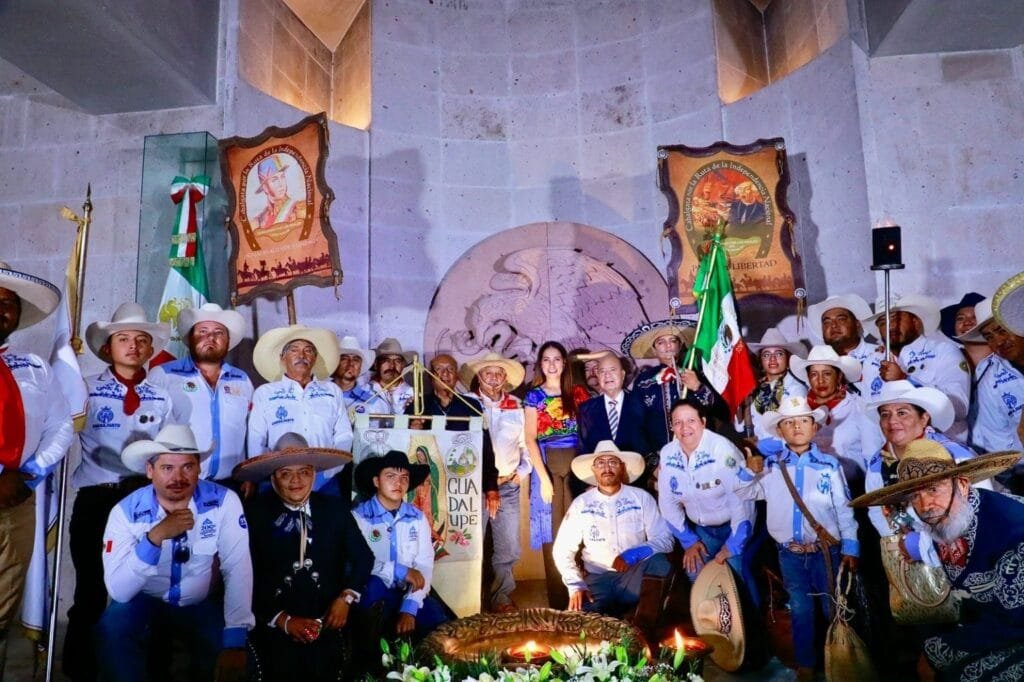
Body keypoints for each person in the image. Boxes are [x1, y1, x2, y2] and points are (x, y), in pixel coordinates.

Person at [850, 439, 1024, 679]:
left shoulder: (1013, 532)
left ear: (962, 485)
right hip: (990, 621)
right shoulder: (949, 516)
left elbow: (1016, 622)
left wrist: (940, 648)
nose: (925, 505)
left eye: (933, 489)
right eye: (915, 495)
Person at [65, 302, 173, 681]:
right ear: (108, 347)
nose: (132, 346)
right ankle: (80, 670)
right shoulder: (84, 389)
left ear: (149, 350)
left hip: (144, 501)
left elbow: (171, 450)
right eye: (123, 339)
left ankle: (144, 669)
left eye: (141, 340)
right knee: (92, 589)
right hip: (97, 497)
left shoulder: (163, 397)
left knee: (148, 587)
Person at [97, 425, 252, 681]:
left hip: (198, 603)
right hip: (142, 600)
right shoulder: (125, 511)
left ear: (199, 468)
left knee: (233, 657)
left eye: (187, 467)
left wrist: (235, 638)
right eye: (167, 468)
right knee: (113, 628)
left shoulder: (224, 501)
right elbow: (119, 591)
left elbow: (237, 567)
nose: (178, 477)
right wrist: (155, 537)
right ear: (150, 470)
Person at [738, 396, 860, 682]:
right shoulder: (770, 467)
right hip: (789, 554)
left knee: (834, 607)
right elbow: (744, 493)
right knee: (801, 609)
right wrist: (748, 471)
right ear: (779, 431)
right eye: (788, 423)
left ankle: (838, 660)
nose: (796, 427)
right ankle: (805, 663)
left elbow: (844, 509)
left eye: (803, 421)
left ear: (814, 427)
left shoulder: (829, 466)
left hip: (825, 551)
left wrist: (851, 546)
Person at [234, 433, 373, 681]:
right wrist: (283, 620)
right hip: (274, 625)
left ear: (314, 474)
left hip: (329, 620)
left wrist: (346, 597)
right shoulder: (255, 515)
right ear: (273, 477)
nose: (296, 481)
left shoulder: (335, 509)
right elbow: (241, 575)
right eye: (286, 473)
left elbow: (364, 558)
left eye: (304, 472)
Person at [0, 264, 73, 675]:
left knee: (2, 609)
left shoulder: (34, 367)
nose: (1, 309)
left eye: (9, 303)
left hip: (18, 502)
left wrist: (27, 473)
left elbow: (60, 426)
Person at [552, 441, 672, 636]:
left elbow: (665, 538)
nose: (607, 468)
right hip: (597, 580)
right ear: (594, 470)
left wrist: (632, 555)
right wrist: (575, 584)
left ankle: (643, 630)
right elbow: (562, 550)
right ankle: (616, 619)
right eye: (601, 463)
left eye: (613, 462)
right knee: (577, 628)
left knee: (661, 563)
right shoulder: (581, 504)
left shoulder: (641, 498)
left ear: (622, 467)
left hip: (633, 578)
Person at [657, 399, 758, 604]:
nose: (685, 428)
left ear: (703, 421)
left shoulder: (723, 450)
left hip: (734, 527)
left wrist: (733, 545)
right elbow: (667, 502)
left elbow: (742, 499)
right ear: (672, 426)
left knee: (734, 577)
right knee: (694, 572)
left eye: (691, 420)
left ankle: (749, 630)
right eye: (678, 422)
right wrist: (689, 541)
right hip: (702, 529)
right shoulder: (667, 454)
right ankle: (711, 627)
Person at [864, 380, 984, 544]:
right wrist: (899, 542)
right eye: (885, 414)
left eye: (902, 413)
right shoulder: (878, 464)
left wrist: (919, 547)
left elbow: (981, 512)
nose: (892, 421)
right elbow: (876, 509)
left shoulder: (956, 457)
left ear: (924, 418)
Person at [148, 303, 253, 488]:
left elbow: (251, 430)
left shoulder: (242, 379)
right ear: (190, 338)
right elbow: (148, 432)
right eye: (202, 331)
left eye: (219, 333)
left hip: (233, 485)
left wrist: (251, 474)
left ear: (228, 341)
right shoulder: (163, 375)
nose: (210, 338)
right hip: (179, 485)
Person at [351, 451, 450, 639]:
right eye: (391, 476)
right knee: (372, 590)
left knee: (438, 626)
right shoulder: (360, 517)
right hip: (375, 592)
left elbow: (425, 564)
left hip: (409, 591)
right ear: (376, 482)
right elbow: (356, 563)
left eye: (404, 477)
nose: (398, 483)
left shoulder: (417, 517)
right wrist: (399, 570)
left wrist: (410, 606)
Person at [462, 352, 532, 613]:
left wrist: (520, 472)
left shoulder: (517, 406)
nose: (493, 378)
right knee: (469, 542)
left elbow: (528, 445)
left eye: (498, 373)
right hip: (473, 485)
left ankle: (501, 596)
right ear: (478, 377)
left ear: (505, 378)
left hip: (507, 485)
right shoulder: (466, 403)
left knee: (509, 544)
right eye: (487, 373)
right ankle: (470, 598)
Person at [523, 340, 590, 609]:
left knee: (580, 527)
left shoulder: (578, 393)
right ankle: (558, 599)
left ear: (565, 363)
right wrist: (543, 479)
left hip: (577, 462)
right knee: (554, 532)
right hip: (549, 463)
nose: (552, 364)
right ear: (540, 364)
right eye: (546, 359)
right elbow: (529, 438)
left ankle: (582, 595)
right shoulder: (534, 396)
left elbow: (587, 432)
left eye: (558, 359)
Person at [247, 324, 352, 492]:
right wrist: (263, 474)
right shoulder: (265, 393)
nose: (301, 355)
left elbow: (344, 434)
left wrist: (329, 472)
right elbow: (256, 438)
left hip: (325, 481)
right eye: (294, 350)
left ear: (315, 358)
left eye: (308, 350)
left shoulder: (332, 391)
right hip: (279, 480)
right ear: (282, 357)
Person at [865, 293, 971, 440]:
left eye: (896, 318)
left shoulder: (943, 351)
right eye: (883, 322)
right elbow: (870, 420)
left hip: (942, 451)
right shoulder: (872, 361)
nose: (890, 326)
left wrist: (906, 380)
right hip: (896, 455)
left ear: (916, 322)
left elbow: (959, 408)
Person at [623, 319, 725, 458]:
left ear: (681, 345)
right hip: (660, 458)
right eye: (661, 342)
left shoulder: (697, 375)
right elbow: (635, 424)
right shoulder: (644, 381)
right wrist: (651, 462)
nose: (668, 346)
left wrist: (698, 387)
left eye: (673, 341)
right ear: (654, 350)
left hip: (702, 454)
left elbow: (722, 412)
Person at [790, 345, 885, 488]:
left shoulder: (859, 408)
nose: (820, 380)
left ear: (839, 376)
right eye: (814, 374)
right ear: (808, 378)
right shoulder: (797, 410)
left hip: (853, 491)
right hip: (808, 493)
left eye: (827, 374)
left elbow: (873, 460)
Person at [960, 298, 1024, 455]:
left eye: (1002, 330)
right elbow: (998, 444)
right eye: (989, 337)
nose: (998, 342)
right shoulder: (991, 381)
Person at [806, 293, 882, 399]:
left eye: (841, 319)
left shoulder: (881, 354)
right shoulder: (816, 364)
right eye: (827, 322)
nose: (833, 325)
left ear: (857, 324)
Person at [577, 351, 645, 458]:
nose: (607, 375)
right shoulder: (586, 409)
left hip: (637, 469)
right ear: (598, 377)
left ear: (622, 374)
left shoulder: (642, 403)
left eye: (613, 370)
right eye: (602, 372)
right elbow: (583, 449)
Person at [745, 327, 807, 442]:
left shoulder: (796, 389)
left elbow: (794, 432)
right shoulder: (756, 388)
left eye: (778, 354)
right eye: (766, 355)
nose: (772, 359)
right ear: (760, 360)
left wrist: (760, 446)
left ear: (787, 359)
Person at [330, 334, 381, 418]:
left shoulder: (372, 400)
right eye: (344, 359)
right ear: (335, 363)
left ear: (360, 367)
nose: (351, 364)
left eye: (356, 360)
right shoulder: (319, 394)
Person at [252, 154, 306, 233]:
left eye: (282, 177)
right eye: (274, 180)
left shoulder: (300, 208)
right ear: (265, 188)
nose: (281, 184)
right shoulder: (259, 220)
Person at [940, 292, 990, 371]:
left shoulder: (1010, 360)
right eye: (960, 318)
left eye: (975, 317)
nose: (967, 322)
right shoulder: (943, 361)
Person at [368, 338, 416, 415]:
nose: (392, 366)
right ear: (376, 365)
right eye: (386, 360)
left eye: (397, 361)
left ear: (403, 365)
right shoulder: (364, 391)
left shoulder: (414, 394)